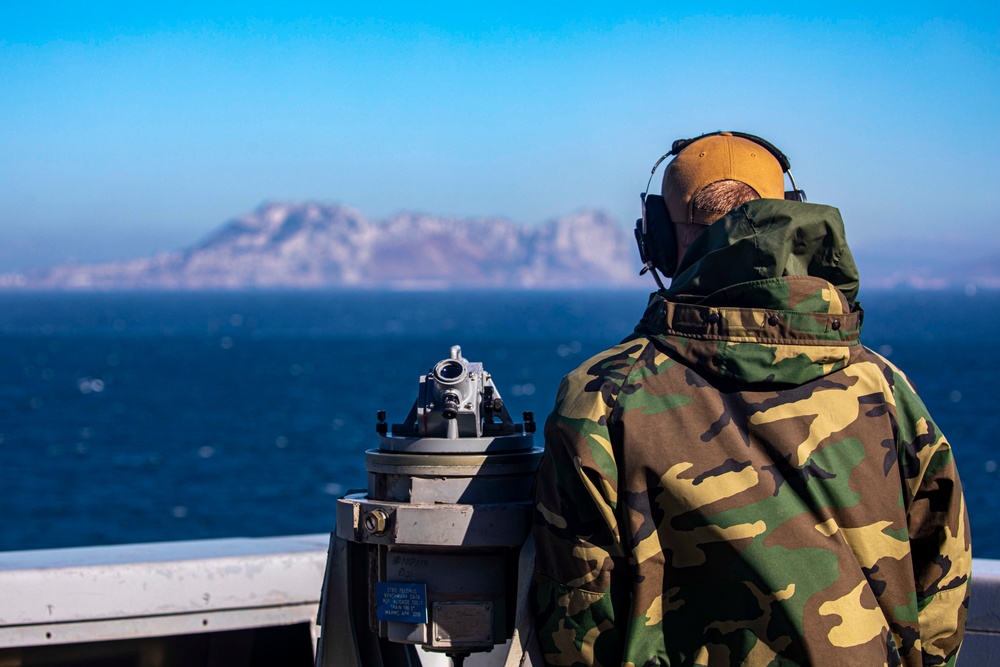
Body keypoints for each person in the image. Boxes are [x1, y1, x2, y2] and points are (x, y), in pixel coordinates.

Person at [530, 132, 971, 666]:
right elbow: (941, 591)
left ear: (659, 241)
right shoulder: (884, 387)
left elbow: (579, 627)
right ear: (791, 219)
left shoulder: (602, 399)